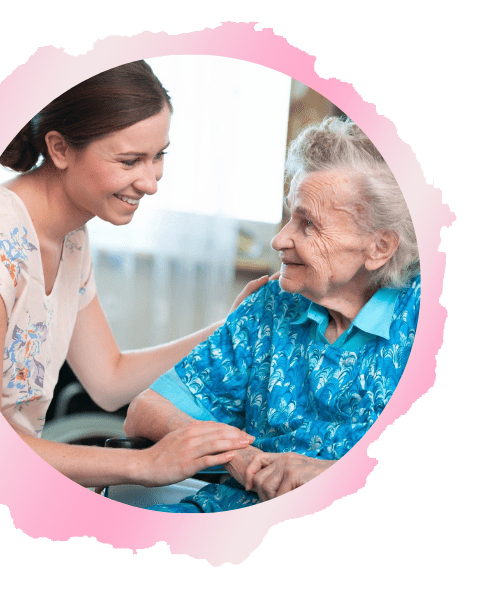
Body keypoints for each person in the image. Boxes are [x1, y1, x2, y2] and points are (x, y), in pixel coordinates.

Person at [0, 60, 265, 490]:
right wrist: (145, 464)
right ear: (61, 148)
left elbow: (109, 378)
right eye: (129, 161)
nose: (151, 181)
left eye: (158, 156)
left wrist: (230, 328)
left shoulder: (71, 236)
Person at [124, 117, 421, 512]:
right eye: (289, 216)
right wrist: (234, 455)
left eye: (308, 224)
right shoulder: (273, 304)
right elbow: (145, 411)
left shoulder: (427, 318)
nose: (280, 240)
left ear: (379, 247)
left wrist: (333, 476)